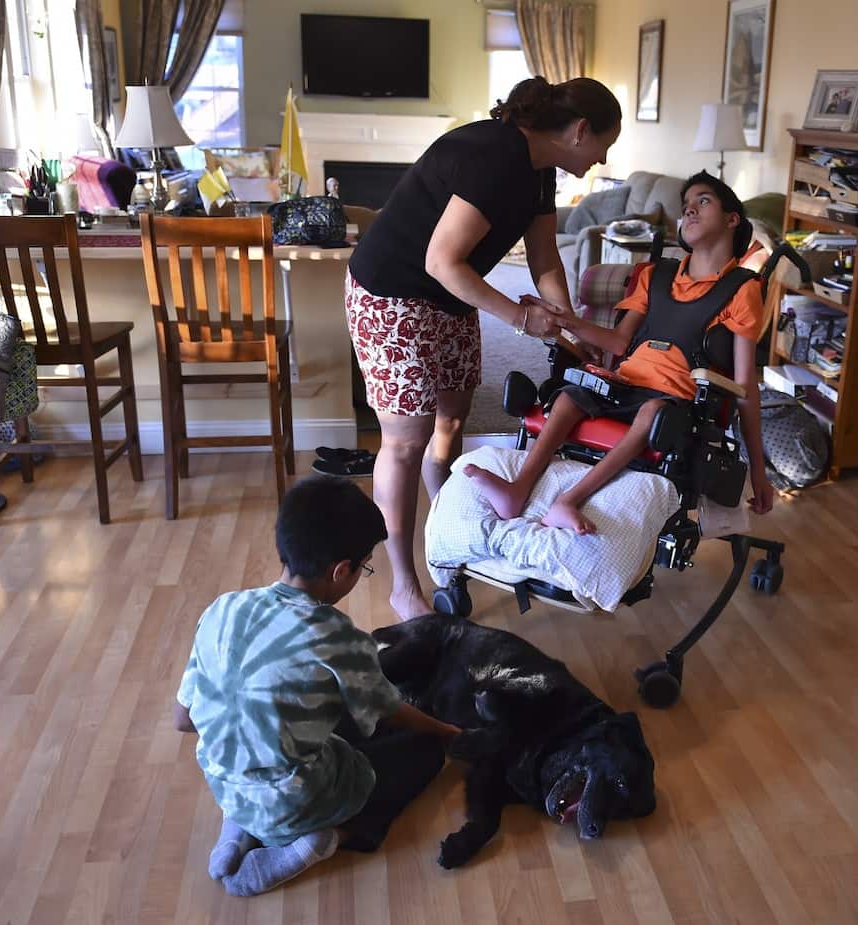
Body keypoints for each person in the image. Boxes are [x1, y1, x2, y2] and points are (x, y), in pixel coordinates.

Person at [344, 76, 623, 620]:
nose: (604, 158)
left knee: (451, 420)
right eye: (604, 144)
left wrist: (569, 332)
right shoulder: (494, 156)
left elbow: (544, 258)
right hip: (392, 293)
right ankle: (404, 584)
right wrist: (520, 317)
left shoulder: (541, 168)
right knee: (406, 441)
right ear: (579, 130)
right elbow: (440, 260)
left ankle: (446, 539)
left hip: (450, 296)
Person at [173, 477, 461, 897]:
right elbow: (388, 711)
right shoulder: (335, 635)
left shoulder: (224, 608)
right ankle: (326, 839)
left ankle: (238, 828)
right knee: (422, 753)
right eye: (364, 568)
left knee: (277, 729)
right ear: (340, 571)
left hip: (225, 787)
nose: (360, 575)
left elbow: (183, 719)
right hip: (298, 804)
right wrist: (448, 732)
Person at [466, 172, 775, 534]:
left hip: (672, 401)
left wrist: (758, 470)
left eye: (703, 201)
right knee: (568, 397)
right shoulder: (656, 275)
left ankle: (568, 501)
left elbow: (745, 387)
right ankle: (516, 490)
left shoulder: (742, 290)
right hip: (624, 384)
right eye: (686, 205)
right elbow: (618, 342)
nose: (689, 210)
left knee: (652, 411)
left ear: (732, 219)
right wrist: (565, 321)